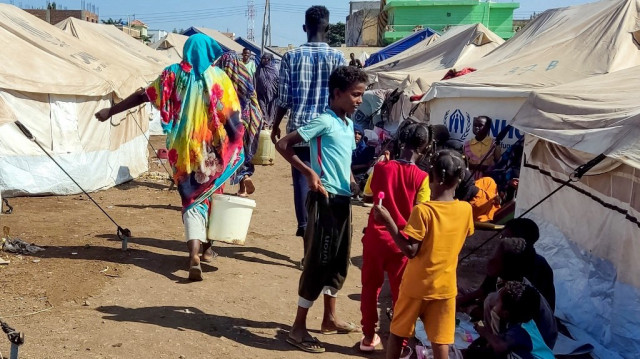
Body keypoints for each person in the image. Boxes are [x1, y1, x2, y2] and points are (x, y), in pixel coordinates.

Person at [94, 34, 245, 281]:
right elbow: (233, 116)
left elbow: (143, 95)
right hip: (213, 151)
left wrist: (111, 111)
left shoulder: (171, 74)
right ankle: (207, 251)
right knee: (211, 196)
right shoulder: (219, 78)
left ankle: (194, 254)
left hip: (182, 150)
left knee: (191, 200)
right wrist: (238, 141)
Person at [276, 66, 368, 353]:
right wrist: (308, 174)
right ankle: (298, 328)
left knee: (339, 262)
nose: (359, 101)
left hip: (342, 201)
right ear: (337, 93)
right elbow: (283, 144)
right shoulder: (324, 121)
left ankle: (329, 318)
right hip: (324, 201)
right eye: (355, 95)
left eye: (362, 95)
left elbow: (341, 159)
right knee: (318, 261)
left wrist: (352, 180)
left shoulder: (347, 123)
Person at [373, 150, 474, 359]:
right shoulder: (465, 210)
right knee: (440, 342)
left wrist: (389, 222)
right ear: (460, 178)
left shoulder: (423, 211)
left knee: (398, 334)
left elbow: (410, 251)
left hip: (416, 286)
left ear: (431, 177)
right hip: (445, 288)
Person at [271, 5, 347, 238]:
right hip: (329, 131)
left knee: (303, 178)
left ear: (305, 28)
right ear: (327, 27)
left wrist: (275, 125)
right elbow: (343, 96)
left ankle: (305, 227)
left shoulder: (291, 57)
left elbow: (284, 98)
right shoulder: (338, 57)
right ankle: (323, 231)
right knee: (329, 182)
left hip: (300, 130)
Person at [358, 123, 431, 352]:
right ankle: (400, 343)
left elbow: (367, 195)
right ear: (425, 147)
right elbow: (422, 211)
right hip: (402, 242)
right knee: (402, 293)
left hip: (375, 239)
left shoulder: (381, 168)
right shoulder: (422, 177)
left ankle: (369, 337)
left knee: (370, 287)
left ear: (401, 142)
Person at [467, 281, 555, 359]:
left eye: (498, 301)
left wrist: (484, 332)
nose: (495, 303)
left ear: (505, 313)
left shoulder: (521, 330)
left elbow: (499, 346)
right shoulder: (515, 322)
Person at [218, 51, 264, 197]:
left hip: (232, 122)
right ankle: (244, 184)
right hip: (249, 118)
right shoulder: (244, 73)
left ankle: (240, 180)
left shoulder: (221, 78)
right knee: (244, 152)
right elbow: (252, 94)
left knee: (232, 153)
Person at [255, 53, 279, 129]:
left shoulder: (274, 69)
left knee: (271, 109)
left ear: (270, 60)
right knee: (262, 108)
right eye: (264, 59)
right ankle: (264, 122)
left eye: (268, 59)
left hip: (273, 94)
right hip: (260, 93)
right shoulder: (259, 68)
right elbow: (255, 80)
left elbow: (277, 80)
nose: (265, 60)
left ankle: (271, 123)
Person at [351, 124, 376, 188]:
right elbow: (349, 167)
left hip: (363, 179)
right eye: (355, 133)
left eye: (359, 134)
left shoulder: (365, 149)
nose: (357, 136)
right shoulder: (346, 148)